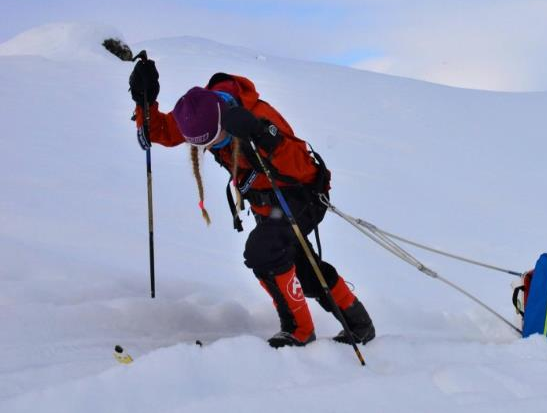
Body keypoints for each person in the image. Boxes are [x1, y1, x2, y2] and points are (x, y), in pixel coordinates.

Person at [128, 59, 375, 348]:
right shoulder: (196, 115)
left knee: (264, 252)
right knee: (303, 269)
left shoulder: (255, 114)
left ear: (223, 119)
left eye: (214, 140)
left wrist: (260, 134)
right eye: (202, 144)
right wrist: (145, 101)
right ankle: (360, 325)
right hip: (264, 204)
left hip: (299, 195)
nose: (209, 148)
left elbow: (301, 167)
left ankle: (298, 330)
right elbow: (161, 131)